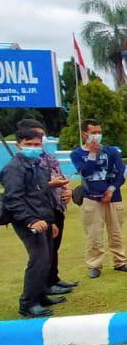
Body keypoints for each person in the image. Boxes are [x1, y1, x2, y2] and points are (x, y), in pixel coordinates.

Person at [2, 129, 64, 317]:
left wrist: (51, 221)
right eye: (30, 144)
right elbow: (13, 199)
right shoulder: (13, 169)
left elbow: (43, 196)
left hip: (44, 219)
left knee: (47, 260)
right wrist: (30, 221)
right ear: (19, 145)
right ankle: (28, 304)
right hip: (28, 222)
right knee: (38, 260)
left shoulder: (37, 166)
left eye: (38, 145)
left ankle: (41, 295)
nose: (34, 148)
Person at [16, 119, 75, 294]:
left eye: (41, 138)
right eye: (34, 139)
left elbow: (58, 176)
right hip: (36, 212)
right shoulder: (22, 165)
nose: (38, 142)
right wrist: (51, 185)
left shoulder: (46, 158)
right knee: (41, 255)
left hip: (54, 207)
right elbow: (28, 191)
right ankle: (41, 289)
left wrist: (66, 189)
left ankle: (52, 280)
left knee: (52, 248)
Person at [70, 119, 127, 279]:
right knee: (94, 234)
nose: (97, 136)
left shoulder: (111, 152)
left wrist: (111, 190)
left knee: (116, 232)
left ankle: (121, 261)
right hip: (91, 198)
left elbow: (121, 173)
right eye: (93, 133)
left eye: (99, 132)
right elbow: (85, 172)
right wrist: (92, 153)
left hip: (113, 197)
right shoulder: (77, 154)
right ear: (84, 134)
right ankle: (94, 265)